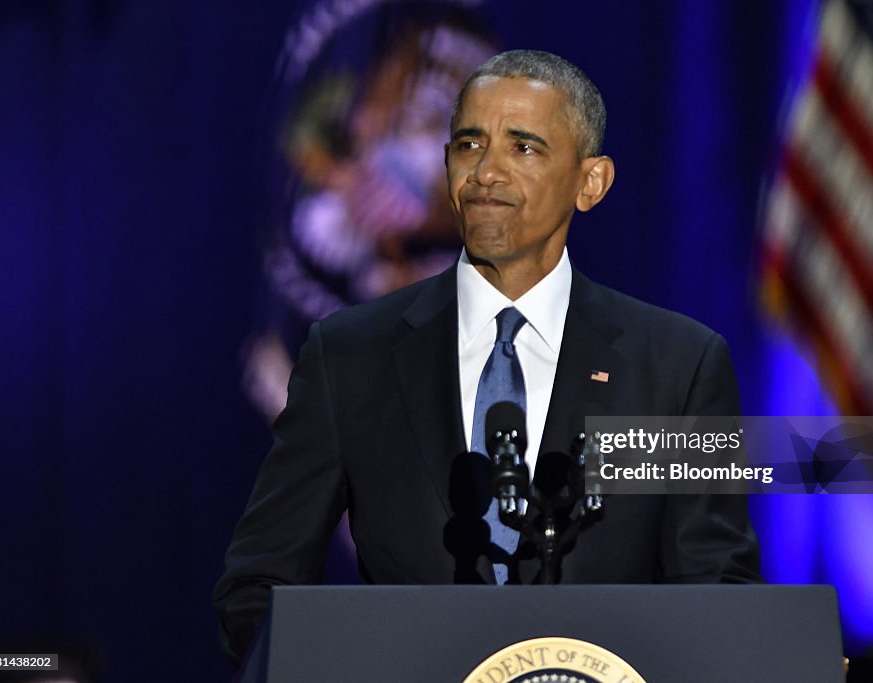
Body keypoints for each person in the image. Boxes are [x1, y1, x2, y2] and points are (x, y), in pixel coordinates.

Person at [213, 49, 761, 666]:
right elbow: (257, 586)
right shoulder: (349, 357)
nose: (486, 173)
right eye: (469, 145)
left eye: (523, 147)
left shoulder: (676, 368)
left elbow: (718, 592)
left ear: (591, 182)